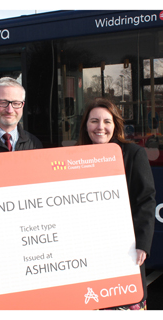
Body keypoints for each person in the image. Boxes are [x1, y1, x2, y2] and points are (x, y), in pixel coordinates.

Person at [77, 97, 156, 310]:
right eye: (94, 121)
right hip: (86, 250)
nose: (100, 127)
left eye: (107, 121)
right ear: (86, 125)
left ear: (115, 125)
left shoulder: (133, 154)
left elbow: (145, 200)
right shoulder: (74, 157)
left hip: (124, 250)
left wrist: (142, 244)